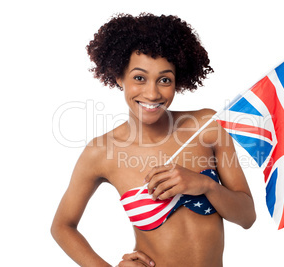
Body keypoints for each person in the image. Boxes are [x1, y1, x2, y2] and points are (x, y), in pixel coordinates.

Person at [51, 13, 256, 267]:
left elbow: (247, 217)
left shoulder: (206, 126)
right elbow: (62, 226)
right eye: (139, 78)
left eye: (164, 80)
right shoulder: (101, 152)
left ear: (177, 81)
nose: (152, 92)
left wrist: (206, 185)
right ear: (119, 77)